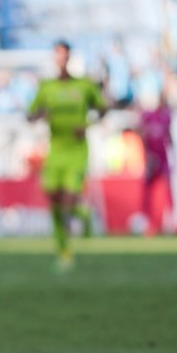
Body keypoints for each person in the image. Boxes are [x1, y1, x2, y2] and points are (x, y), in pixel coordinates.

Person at [28, 41, 106, 272]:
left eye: (63, 54)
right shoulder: (47, 87)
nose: (60, 59)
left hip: (76, 150)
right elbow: (30, 114)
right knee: (54, 199)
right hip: (55, 150)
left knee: (68, 199)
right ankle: (79, 223)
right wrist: (39, 114)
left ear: (69, 57)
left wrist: (88, 124)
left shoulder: (84, 85)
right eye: (57, 55)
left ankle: (67, 246)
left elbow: (103, 109)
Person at [138, 93, 174, 235]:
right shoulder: (147, 116)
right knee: (148, 189)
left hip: (163, 157)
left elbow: (168, 135)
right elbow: (143, 134)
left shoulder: (166, 117)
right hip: (152, 157)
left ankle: (170, 220)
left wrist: (173, 151)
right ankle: (147, 221)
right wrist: (147, 154)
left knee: (168, 187)